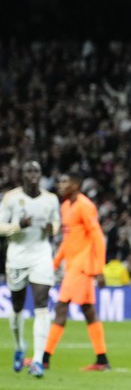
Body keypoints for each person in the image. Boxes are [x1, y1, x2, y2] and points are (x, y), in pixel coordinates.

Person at [43, 172, 110, 372]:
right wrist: (54, 264)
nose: (60, 185)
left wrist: (99, 269)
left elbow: (97, 237)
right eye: (59, 181)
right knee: (89, 311)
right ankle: (102, 360)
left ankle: (44, 358)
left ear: (76, 184)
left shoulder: (85, 206)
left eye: (65, 181)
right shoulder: (65, 207)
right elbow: (67, 240)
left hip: (82, 266)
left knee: (61, 307)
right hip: (72, 265)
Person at [0, 161, 61, 378]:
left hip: (42, 256)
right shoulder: (11, 198)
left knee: (42, 304)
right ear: (22, 175)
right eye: (29, 171)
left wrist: (51, 228)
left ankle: (37, 360)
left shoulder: (51, 199)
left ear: (41, 175)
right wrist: (18, 226)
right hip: (17, 257)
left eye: (36, 171)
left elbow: (56, 223)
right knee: (17, 305)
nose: (33, 175)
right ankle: (18, 345)